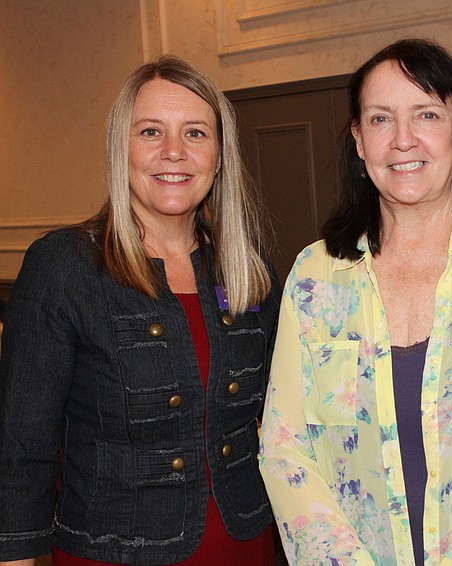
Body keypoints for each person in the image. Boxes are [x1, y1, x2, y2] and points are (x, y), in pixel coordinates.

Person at [259, 38, 452, 565]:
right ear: (359, 141)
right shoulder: (316, 277)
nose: (403, 140)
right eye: (381, 120)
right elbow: (285, 448)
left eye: (426, 114)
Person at [0, 55, 281, 565]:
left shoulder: (249, 272)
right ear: (120, 150)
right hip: (111, 554)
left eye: (195, 133)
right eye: (151, 131)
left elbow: (285, 422)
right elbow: (22, 449)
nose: (174, 152)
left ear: (218, 156)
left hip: (249, 546)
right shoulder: (66, 267)